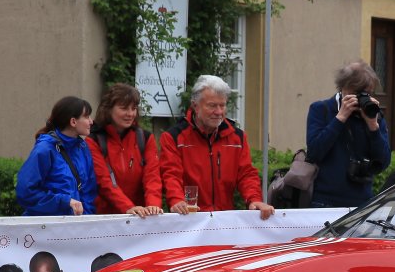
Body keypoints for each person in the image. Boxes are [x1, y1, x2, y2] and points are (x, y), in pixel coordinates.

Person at [161, 75, 272, 218]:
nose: (219, 112)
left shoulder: (237, 138)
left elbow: (246, 174)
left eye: (222, 105)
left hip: (224, 219)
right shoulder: (174, 137)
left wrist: (254, 199)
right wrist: (176, 199)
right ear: (195, 106)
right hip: (188, 218)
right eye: (212, 106)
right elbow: (171, 175)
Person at [304, 60, 392, 208]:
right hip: (325, 202)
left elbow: (384, 162)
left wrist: (373, 127)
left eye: (367, 93)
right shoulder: (322, 109)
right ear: (343, 87)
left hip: (362, 203)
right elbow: (314, 153)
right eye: (357, 93)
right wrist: (340, 118)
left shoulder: (373, 115)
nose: (361, 98)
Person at [89, 83, 164, 217]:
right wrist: (128, 207)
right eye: (124, 108)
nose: (130, 114)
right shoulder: (94, 140)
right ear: (108, 109)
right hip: (106, 217)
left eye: (133, 108)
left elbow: (152, 177)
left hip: (140, 216)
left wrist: (153, 205)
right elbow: (104, 182)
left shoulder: (145, 138)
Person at [17, 96, 98, 217]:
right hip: (46, 225)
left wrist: (85, 219)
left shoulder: (82, 147)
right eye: (86, 117)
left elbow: (89, 191)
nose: (91, 121)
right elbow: (26, 192)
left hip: (75, 226)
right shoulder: (45, 149)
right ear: (73, 122)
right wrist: (64, 202)